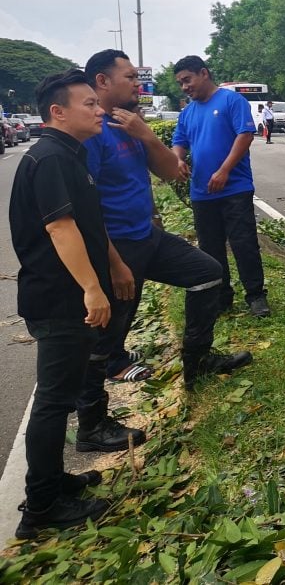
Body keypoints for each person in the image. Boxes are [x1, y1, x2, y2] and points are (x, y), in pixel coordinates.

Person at [82, 49, 253, 398]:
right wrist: (113, 262)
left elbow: (170, 170)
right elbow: (85, 208)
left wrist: (145, 134)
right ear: (102, 81)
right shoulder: (91, 131)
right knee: (110, 330)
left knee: (207, 272)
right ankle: (91, 421)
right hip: (116, 244)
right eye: (130, 77)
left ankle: (198, 359)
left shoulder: (129, 122)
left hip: (145, 235)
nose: (138, 84)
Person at [9, 70, 112, 538]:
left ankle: (52, 481)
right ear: (57, 111)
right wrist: (92, 289)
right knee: (53, 402)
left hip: (63, 295)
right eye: (89, 103)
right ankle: (42, 508)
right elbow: (60, 228)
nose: (100, 110)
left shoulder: (68, 154)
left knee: (59, 397)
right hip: (59, 297)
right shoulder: (50, 158)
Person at [171, 55, 271, 318]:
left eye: (187, 80)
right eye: (180, 83)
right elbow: (178, 141)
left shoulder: (231, 101)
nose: (184, 87)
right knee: (210, 248)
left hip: (235, 188)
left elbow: (245, 134)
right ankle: (222, 296)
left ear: (203, 73)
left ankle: (256, 295)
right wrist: (178, 159)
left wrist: (225, 170)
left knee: (244, 243)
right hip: (202, 192)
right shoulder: (187, 112)